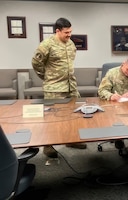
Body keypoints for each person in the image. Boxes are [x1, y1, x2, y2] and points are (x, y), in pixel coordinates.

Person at [32, 17, 86, 159]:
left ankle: (71, 140)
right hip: (54, 87)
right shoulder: (47, 44)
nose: (69, 35)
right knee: (52, 117)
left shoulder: (71, 43)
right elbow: (36, 63)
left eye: (70, 32)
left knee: (74, 114)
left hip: (71, 85)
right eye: (66, 32)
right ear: (57, 31)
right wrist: (48, 77)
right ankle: (48, 146)